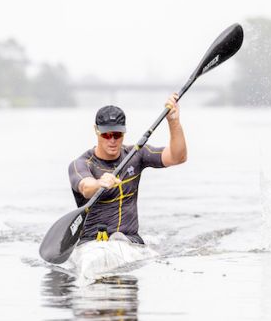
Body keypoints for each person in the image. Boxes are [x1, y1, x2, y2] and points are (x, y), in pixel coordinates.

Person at [68, 93, 187, 245]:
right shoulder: (82, 163)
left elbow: (178, 157)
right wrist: (100, 183)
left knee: (120, 239)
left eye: (117, 134)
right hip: (91, 242)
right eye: (107, 134)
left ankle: (120, 240)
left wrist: (173, 121)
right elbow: (85, 187)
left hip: (130, 241)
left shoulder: (136, 155)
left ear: (124, 132)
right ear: (96, 130)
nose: (112, 140)